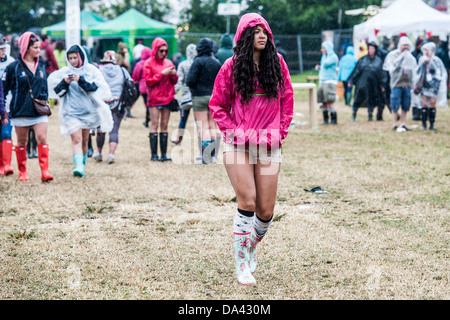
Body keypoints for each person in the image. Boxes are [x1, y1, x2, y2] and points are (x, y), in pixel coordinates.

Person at [209, 13, 294, 285]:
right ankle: (241, 263)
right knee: (247, 201)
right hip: (238, 144)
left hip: (269, 144)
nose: (261, 35)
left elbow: (288, 100)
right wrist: (236, 132)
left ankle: (251, 245)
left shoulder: (277, 64)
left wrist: (280, 133)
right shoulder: (230, 66)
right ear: (245, 36)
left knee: (266, 211)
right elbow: (217, 105)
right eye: (255, 31)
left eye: (264, 31)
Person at [47, 45, 113, 177]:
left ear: (81, 57)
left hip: (88, 112)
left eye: (75, 58)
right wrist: (65, 82)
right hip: (71, 112)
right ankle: (78, 167)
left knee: (84, 139)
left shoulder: (91, 70)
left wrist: (80, 79)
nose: (72, 61)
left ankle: (82, 162)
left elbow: (94, 87)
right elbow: (58, 91)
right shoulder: (64, 72)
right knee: (76, 139)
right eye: (70, 58)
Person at [3, 32, 53, 182]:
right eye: (35, 48)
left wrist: (45, 98)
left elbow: (44, 84)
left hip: (39, 109)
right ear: (26, 48)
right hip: (20, 110)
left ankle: (45, 172)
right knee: (22, 142)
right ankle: (22, 172)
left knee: (42, 137)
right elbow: (4, 89)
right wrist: (4, 110)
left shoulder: (41, 63)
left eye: (39, 47)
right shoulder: (13, 67)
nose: (39, 50)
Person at [186, 38, 222, 164]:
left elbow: (190, 80)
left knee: (203, 127)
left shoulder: (197, 62)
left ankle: (205, 157)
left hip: (199, 97)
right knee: (212, 126)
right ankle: (212, 155)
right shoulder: (216, 62)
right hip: (214, 98)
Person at [144, 37, 178, 162]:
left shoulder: (169, 63)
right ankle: (154, 155)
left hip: (167, 97)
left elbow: (174, 81)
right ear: (155, 50)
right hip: (154, 98)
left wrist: (174, 75)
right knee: (154, 124)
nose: (164, 53)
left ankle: (163, 154)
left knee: (164, 125)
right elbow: (149, 81)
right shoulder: (148, 63)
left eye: (165, 51)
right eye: (161, 51)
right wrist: (162, 73)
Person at [93, 50, 130, 164]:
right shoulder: (122, 70)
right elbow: (130, 83)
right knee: (114, 131)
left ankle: (99, 153)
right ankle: (111, 155)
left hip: (102, 104)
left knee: (101, 130)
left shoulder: (99, 70)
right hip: (117, 104)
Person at [383, 37, 417, 132]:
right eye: (404, 45)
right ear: (400, 45)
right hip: (396, 84)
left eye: (407, 45)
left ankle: (402, 123)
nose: (405, 47)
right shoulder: (393, 55)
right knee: (395, 104)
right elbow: (391, 67)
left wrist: (413, 83)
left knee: (406, 105)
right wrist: (401, 57)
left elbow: (413, 70)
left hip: (406, 84)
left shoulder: (410, 57)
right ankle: (394, 124)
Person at [348, 42, 387, 122]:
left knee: (371, 100)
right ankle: (354, 114)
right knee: (357, 100)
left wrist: (382, 85)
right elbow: (356, 71)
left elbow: (382, 74)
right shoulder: (363, 60)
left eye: (372, 49)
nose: (371, 50)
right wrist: (351, 80)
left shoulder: (378, 61)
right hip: (361, 84)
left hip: (372, 85)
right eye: (369, 48)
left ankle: (370, 115)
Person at [416, 42, 446, 130]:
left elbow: (440, 73)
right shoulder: (422, 60)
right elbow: (418, 72)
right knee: (424, 104)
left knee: (432, 104)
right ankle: (424, 124)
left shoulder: (436, 61)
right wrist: (423, 64)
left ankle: (432, 123)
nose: (426, 52)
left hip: (433, 86)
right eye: (425, 50)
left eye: (427, 50)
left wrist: (436, 84)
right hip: (424, 85)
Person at [171, 43, 197, 147]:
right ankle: (202, 141)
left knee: (183, 119)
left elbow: (179, 81)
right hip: (196, 96)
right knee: (199, 120)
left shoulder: (183, 64)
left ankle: (178, 139)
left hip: (185, 97)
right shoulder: (197, 63)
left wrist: (174, 93)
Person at [0, 34, 15, 176]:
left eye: (4, 48)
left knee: (6, 132)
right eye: (0, 49)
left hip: (7, 105)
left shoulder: (11, 63)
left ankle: (7, 165)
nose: (3, 51)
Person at [316, 41, 339, 125]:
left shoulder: (333, 57)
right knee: (323, 101)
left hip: (330, 82)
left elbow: (325, 64)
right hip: (322, 81)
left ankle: (333, 119)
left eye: (323, 48)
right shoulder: (324, 56)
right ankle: (325, 119)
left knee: (329, 101)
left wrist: (326, 56)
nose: (321, 50)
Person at [131, 46, 152, 127]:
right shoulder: (152, 63)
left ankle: (147, 119)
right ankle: (148, 118)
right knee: (150, 103)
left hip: (143, 87)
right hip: (151, 86)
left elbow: (135, 76)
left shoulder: (139, 64)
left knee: (147, 103)